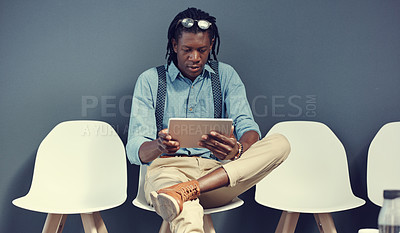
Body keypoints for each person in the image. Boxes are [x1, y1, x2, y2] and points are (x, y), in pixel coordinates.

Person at [126, 7, 290, 233]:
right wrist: (159, 145)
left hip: (217, 178)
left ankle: (188, 189)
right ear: (174, 46)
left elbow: (248, 126)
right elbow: (135, 149)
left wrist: (238, 149)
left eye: (202, 50)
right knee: (185, 211)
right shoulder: (151, 80)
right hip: (167, 174)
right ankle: (181, 192)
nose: (195, 58)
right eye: (187, 50)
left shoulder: (226, 75)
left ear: (211, 45)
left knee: (280, 143)